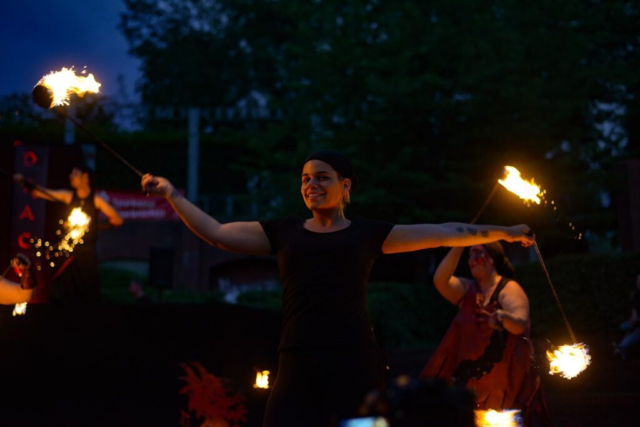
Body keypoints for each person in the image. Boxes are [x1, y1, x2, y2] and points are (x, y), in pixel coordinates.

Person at [141, 149, 535, 427]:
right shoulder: (283, 232)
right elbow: (216, 233)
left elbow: (445, 233)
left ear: (345, 186)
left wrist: (507, 231)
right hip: (297, 357)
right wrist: (172, 194)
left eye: (322, 177)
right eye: (305, 179)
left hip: (354, 358)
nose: (311, 185)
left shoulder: (367, 234)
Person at [419, 242, 551, 426]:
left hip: (504, 379)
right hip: (470, 378)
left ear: (492, 259)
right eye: (470, 255)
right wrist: (459, 244)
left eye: (477, 254)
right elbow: (440, 280)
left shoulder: (509, 288)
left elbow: (519, 323)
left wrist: (503, 317)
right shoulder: (467, 289)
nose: (472, 260)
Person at [14, 166, 123, 304]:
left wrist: (94, 225)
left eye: (75, 173)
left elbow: (118, 220)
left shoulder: (96, 200)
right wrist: (25, 183)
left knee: (88, 290)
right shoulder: (69, 196)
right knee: (62, 290)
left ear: (85, 177)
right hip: (69, 254)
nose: (71, 176)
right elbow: (42, 193)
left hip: (87, 254)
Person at [613, 273, 640, 360]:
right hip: (637, 322)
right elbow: (634, 315)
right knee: (630, 330)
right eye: (638, 282)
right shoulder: (636, 296)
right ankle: (620, 349)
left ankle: (621, 347)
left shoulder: (636, 295)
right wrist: (630, 322)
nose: (638, 284)